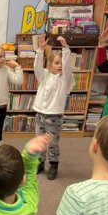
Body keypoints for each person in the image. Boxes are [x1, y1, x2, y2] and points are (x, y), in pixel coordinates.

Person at [32, 35, 74, 180]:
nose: (60, 65)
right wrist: (40, 50)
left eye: (61, 63)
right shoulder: (44, 76)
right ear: (49, 65)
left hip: (53, 117)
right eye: (56, 63)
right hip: (40, 115)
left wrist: (65, 49)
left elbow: (68, 69)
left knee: (52, 143)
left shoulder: (65, 80)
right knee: (40, 141)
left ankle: (54, 165)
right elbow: (37, 67)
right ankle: (40, 163)